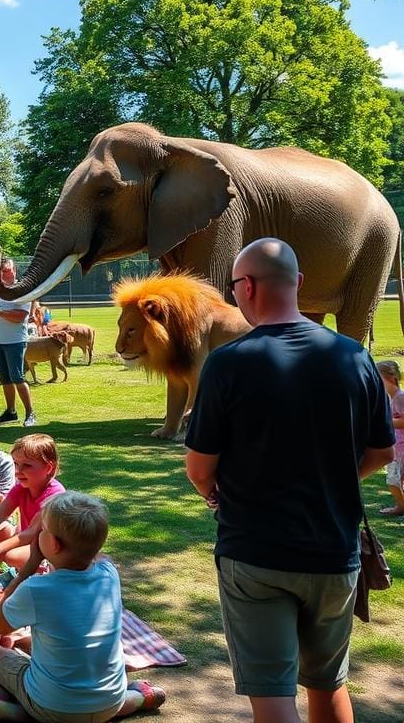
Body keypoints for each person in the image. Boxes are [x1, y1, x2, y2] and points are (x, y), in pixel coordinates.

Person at [185, 237, 394, 723]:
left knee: (275, 700)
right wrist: (336, 473)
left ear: (248, 287)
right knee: (328, 683)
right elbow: (382, 451)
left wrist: (215, 494)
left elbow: (199, 468)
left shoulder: (229, 363)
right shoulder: (354, 357)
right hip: (333, 551)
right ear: (297, 283)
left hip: (255, 554)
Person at [0, 491, 166, 722]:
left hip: (50, 706)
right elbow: (93, 554)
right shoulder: (109, 574)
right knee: (97, 705)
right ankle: (138, 697)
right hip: (111, 702)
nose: (38, 533)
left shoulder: (36, 589)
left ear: (53, 544)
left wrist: (29, 566)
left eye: (42, 529)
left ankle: (12, 710)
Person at [0, 434, 65, 569]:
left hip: (48, 548)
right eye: (16, 464)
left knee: (11, 556)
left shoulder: (55, 496)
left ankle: (45, 568)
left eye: (27, 465)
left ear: (48, 468)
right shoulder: (22, 488)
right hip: (27, 540)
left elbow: (31, 533)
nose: (18, 471)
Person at [0, 257, 35, 427]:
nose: (6, 273)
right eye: (2, 271)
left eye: (9, 270)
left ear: (15, 271)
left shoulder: (22, 290)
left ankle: (30, 413)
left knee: (17, 377)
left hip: (16, 341)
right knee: (5, 379)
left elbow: (19, 317)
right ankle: (11, 412)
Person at [376, 360, 404, 515]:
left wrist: (387, 421)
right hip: (396, 444)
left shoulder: (400, 398)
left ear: (392, 379)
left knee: (392, 480)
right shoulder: (389, 398)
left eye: (379, 380)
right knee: (397, 478)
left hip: (401, 446)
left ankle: (401, 506)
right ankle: (400, 504)